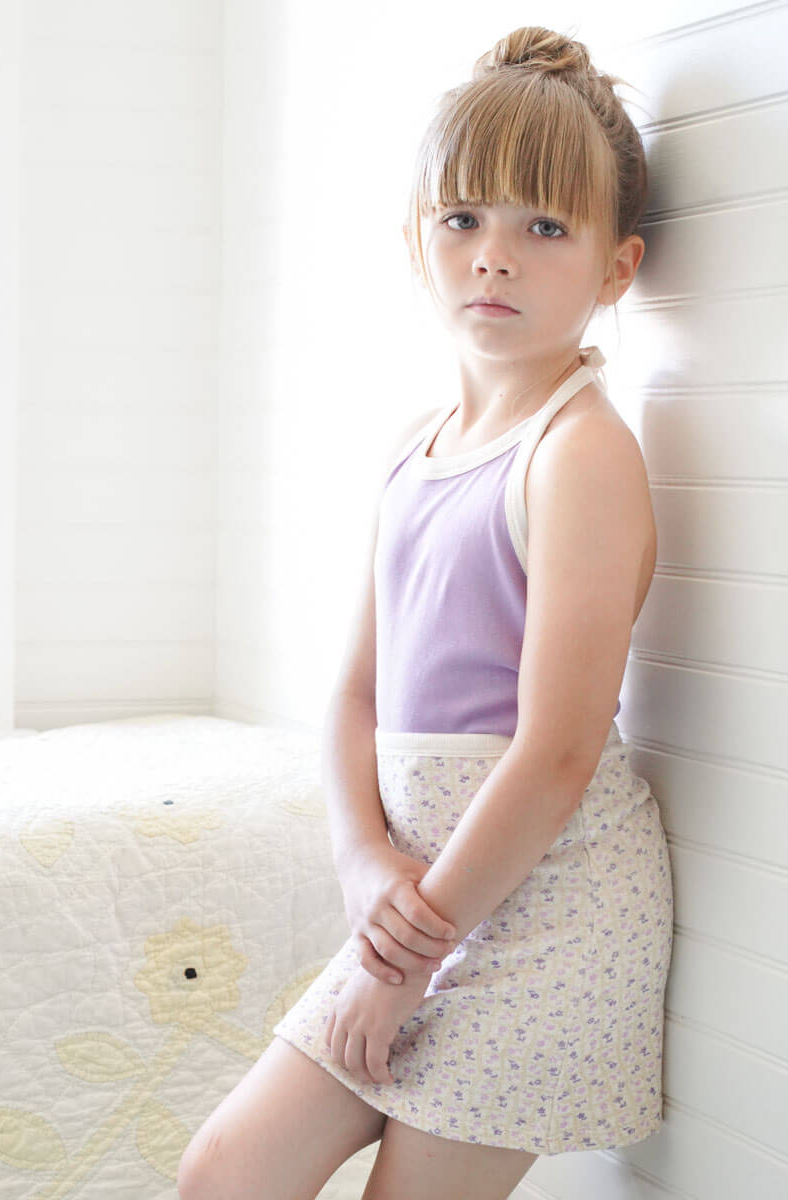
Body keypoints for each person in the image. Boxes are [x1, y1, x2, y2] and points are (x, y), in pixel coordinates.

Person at [177, 24, 674, 1200]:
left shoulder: (580, 455)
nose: (494, 257)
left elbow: (555, 754)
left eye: (544, 228)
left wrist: (405, 956)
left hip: (542, 912)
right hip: (419, 907)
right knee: (224, 1174)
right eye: (463, 219)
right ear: (417, 240)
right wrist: (362, 863)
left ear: (616, 269)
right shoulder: (418, 449)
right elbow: (355, 692)